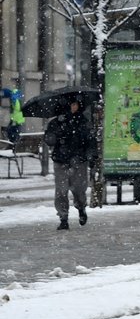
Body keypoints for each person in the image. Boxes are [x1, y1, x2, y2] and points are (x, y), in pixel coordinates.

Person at [45, 95, 97, 230]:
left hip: (79, 162)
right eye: (71, 105)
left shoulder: (83, 122)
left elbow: (90, 141)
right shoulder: (56, 123)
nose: (73, 107)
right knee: (61, 191)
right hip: (61, 161)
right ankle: (63, 218)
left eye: (76, 105)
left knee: (79, 190)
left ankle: (81, 209)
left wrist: (91, 156)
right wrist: (55, 134)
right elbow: (49, 140)